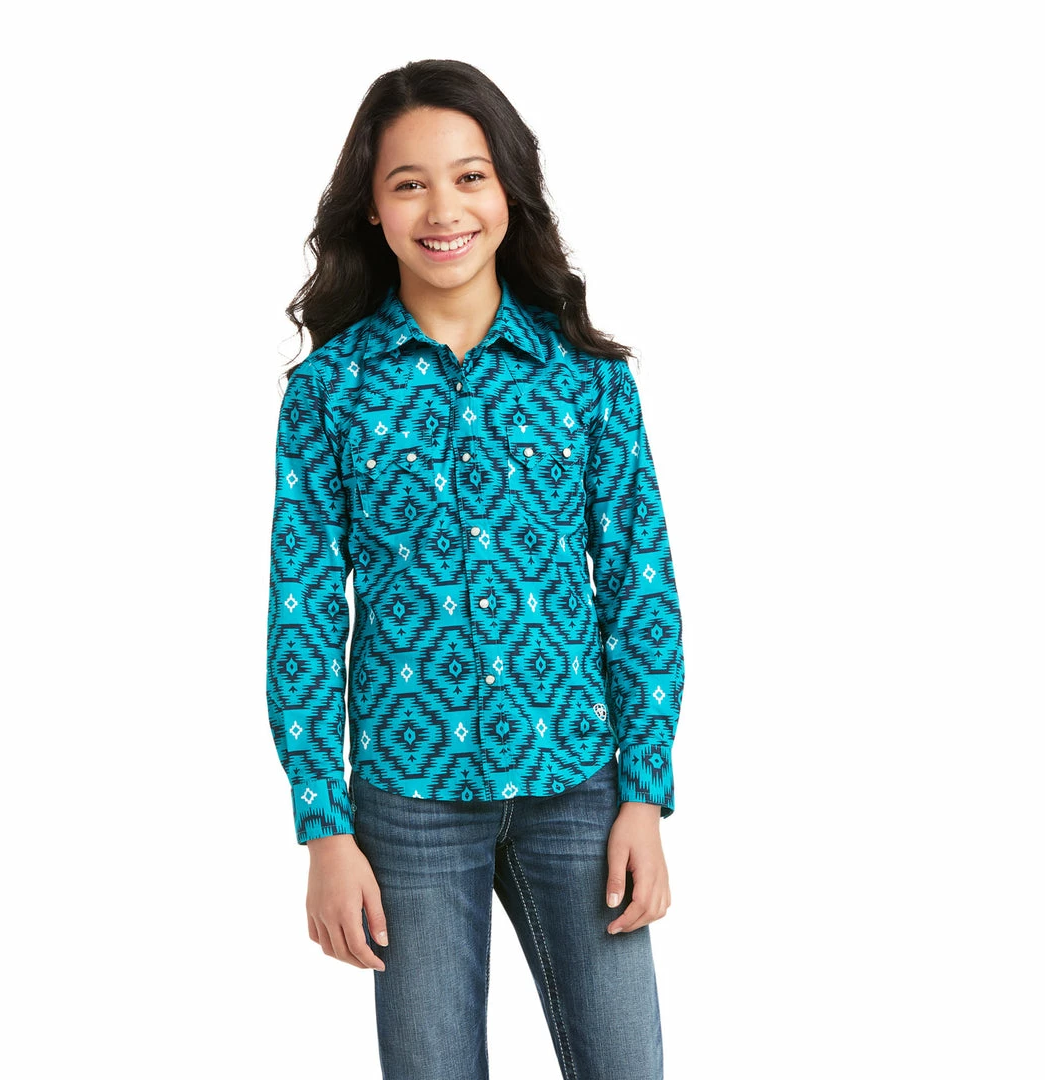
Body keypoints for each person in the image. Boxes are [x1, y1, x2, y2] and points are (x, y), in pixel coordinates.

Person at [266, 58, 684, 1080]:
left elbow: (640, 588)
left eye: (470, 176)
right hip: (407, 803)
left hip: (579, 786)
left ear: (509, 192)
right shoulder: (329, 392)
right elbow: (305, 611)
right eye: (409, 183)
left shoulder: (589, 382)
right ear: (372, 208)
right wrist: (323, 828)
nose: (443, 209)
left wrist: (645, 793)